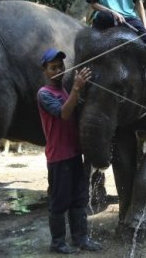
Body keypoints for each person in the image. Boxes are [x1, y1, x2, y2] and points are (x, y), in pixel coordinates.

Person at [37, 48, 102, 254]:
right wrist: (76, 88)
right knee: (60, 201)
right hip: (58, 157)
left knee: (79, 198)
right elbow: (64, 114)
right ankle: (57, 243)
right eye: (53, 67)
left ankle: (80, 238)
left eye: (61, 66)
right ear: (45, 71)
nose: (58, 70)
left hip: (75, 154)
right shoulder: (44, 94)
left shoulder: (64, 90)